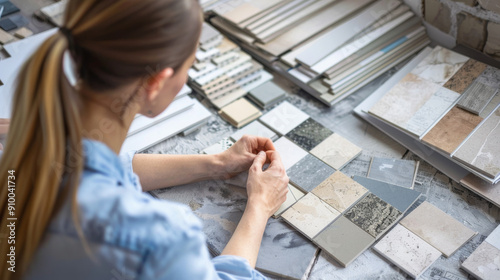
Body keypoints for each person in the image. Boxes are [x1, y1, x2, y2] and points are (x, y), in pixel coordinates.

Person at [0, 1, 289, 279]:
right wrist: (260, 207)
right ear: (156, 83)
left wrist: (217, 163)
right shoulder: (161, 236)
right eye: (188, 66)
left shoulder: (20, 140)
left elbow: (93, 171)